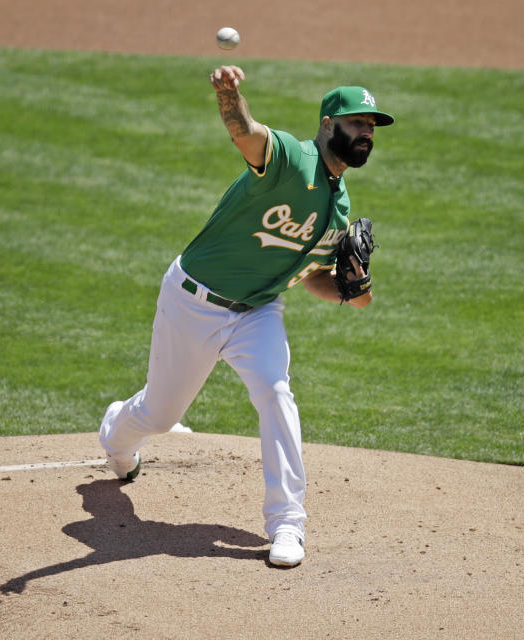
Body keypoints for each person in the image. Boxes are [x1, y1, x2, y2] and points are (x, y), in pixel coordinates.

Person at [99, 65, 394, 567]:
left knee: (276, 392)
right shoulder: (290, 159)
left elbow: (315, 280)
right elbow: (246, 133)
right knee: (160, 415)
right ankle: (115, 431)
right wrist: (228, 95)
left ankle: (288, 524)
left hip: (257, 312)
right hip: (193, 300)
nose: (366, 133)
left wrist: (354, 286)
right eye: (356, 122)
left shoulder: (339, 208)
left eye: (372, 126)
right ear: (328, 125)